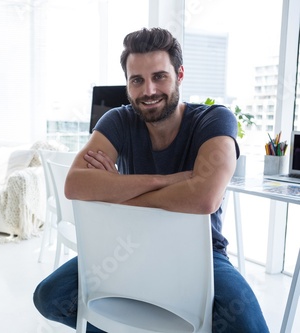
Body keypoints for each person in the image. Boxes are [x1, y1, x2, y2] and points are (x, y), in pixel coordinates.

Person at [33, 27, 270, 333]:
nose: (148, 91)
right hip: (129, 247)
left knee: (248, 326)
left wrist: (118, 193)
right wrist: (172, 180)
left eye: (159, 76)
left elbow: (204, 198)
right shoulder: (118, 119)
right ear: (128, 83)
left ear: (179, 75)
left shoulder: (214, 119)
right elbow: (75, 184)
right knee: (50, 296)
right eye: (137, 80)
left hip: (201, 253)